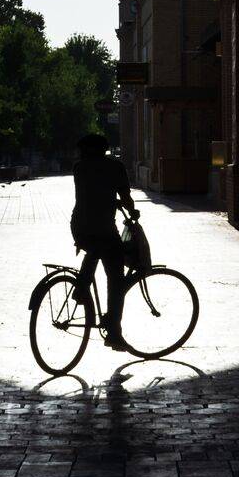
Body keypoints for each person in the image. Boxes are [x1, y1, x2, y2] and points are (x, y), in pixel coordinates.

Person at [71, 133, 138, 350]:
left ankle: (82, 285)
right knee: (116, 280)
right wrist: (131, 210)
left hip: (79, 227)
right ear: (104, 149)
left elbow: (91, 194)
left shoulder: (79, 168)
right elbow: (125, 197)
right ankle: (114, 333)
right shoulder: (115, 167)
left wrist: (111, 200)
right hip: (104, 229)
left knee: (94, 248)